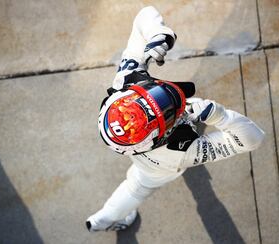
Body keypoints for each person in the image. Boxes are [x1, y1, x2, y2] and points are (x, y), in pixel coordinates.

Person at [86, 6, 265, 232]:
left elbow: (144, 14)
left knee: (136, 186)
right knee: (136, 187)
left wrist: (156, 34)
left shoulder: (125, 83)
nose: (164, 96)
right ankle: (105, 219)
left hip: (150, 164)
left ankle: (101, 221)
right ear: (163, 137)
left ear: (122, 99)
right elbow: (253, 139)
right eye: (169, 114)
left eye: (151, 94)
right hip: (165, 167)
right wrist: (218, 114)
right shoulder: (184, 152)